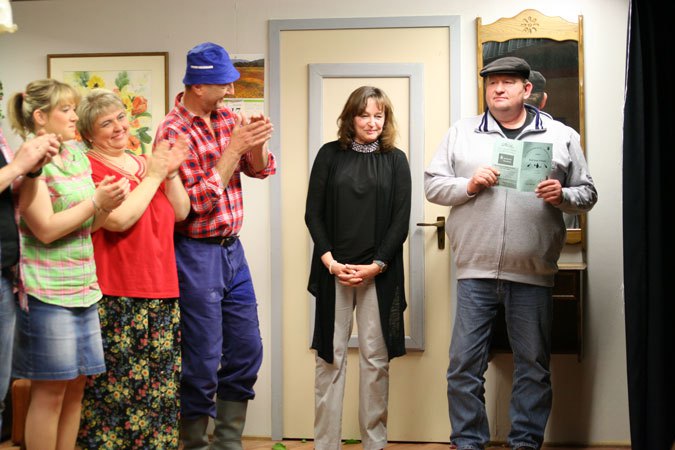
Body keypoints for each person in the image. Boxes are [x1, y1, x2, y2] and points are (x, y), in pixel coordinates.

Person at [424, 57, 597, 450]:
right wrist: (468, 185)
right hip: (475, 272)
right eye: (492, 83)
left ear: (526, 89)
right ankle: (468, 443)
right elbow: (433, 186)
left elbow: (588, 193)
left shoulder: (560, 135)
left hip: (533, 273)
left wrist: (562, 195)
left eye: (507, 82)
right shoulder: (461, 132)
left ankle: (525, 444)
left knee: (533, 368)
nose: (498, 89)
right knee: (463, 367)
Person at [154, 41, 276, 450]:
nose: (231, 91)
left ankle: (227, 442)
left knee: (246, 350)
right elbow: (193, 207)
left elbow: (261, 171)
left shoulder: (226, 118)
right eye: (224, 84)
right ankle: (194, 443)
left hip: (232, 251)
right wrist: (234, 149)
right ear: (198, 85)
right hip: (195, 252)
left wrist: (256, 143)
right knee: (203, 359)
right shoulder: (173, 131)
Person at [7, 79, 128, 449]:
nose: (75, 116)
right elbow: (45, 230)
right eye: (66, 109)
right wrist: (96, 203)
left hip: (84, 287)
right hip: (47, 292)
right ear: (41, 117)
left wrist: (105, 204)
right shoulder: (30, 162)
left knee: (76, 389)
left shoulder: (75, 154)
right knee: (50, 394)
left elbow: (91, 226)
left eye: (74, 108)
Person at [74, 88, 190, 449]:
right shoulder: (88, 167)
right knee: (115, 396)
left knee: (160, 392)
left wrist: (170, 173)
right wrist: (155, 175)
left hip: (162, 290)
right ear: (88, 134)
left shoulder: (145, 163)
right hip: (116, 292)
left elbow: (181, 212)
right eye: (105, 123)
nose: (119, 127)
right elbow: (119, 220)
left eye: (121, 117)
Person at [305, 86, 411, 450]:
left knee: (375, 361)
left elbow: (400, 221)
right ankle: (325, 445)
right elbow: (313, 213)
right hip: (333, 270)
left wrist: (376, 265)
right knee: (330, 360)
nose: (372, 122)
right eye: (364, 115)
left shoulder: (396, 160)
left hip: (378, 275)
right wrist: (330, 262)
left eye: (378, 115)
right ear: (350, 118)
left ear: (386, 119)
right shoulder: (329, 155)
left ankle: (374, 444)